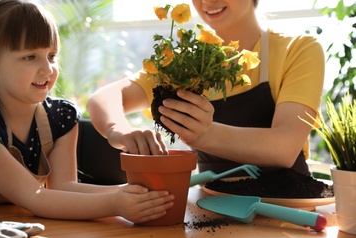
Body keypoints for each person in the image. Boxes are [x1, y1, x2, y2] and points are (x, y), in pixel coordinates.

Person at [0, 0, 174, 223]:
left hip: (12, 223)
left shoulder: (61, 116)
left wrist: (132, 192)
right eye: (29, 56)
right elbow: (34, 198)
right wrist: (115, 203)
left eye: (52, 56)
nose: (48, 69)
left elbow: (64, 187)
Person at [87, 0, 325, 176]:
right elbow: (105, 97)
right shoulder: (186, 63)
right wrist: (118, 130)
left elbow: (284, 148)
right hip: (214, 205)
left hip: (288, 207)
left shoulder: (298, 50)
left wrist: (205, 134)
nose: (207, 1)